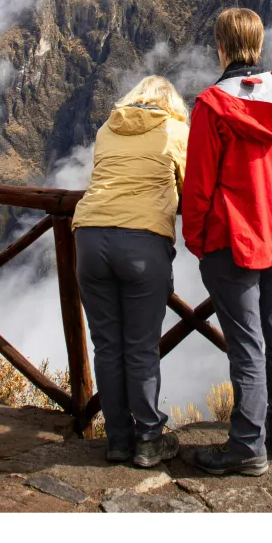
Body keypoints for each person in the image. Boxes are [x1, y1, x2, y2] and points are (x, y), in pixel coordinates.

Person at [182, 7, 272, 476]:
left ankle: (246, 448)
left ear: (221, 45)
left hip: (231, 238)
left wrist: (197, 239)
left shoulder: (212, 105)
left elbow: (197, 184)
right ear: (257, 43)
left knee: (247, 345)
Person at [72, 75, 189, 468]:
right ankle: (149, 439)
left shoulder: (107, 128)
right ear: (171, 103)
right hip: (141, 243)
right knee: (140, 347)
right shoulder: (175, 130)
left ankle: (118, 439)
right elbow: (189, 188)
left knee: (107, 345)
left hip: (89, 238)